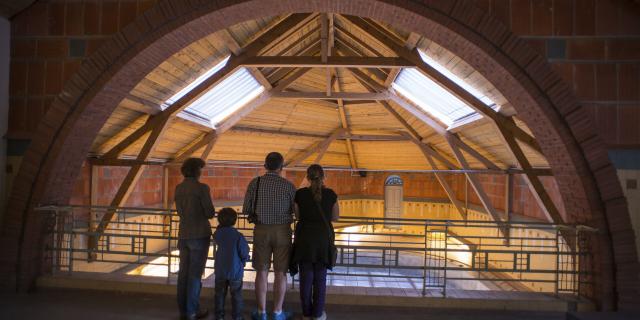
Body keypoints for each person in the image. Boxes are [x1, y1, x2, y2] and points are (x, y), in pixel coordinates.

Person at [242, 152, 296, 320]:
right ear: (281, 167)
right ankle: (278, 312)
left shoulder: (254, 183)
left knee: (262, 271)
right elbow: (295, 211)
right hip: (283, 231)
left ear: (265, 165)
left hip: (261, 231)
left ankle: (261, 312)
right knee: (280, 273)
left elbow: (245, 210)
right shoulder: (288, 186)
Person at [291, 164, 339, 320]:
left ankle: (306, 313)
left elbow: (297, 216)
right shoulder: (331, 194)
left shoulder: (300, 194)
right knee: (320, 279)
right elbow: (335, 217)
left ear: (307, 177)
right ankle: (318, 314)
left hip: (305, 239)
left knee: (306, 278)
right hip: (322, 240)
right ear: (324, 177)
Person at [175, 158, 215, 320]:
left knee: (183, 274)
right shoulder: (202, 188)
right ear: (197, 171)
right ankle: (193, 311)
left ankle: (183, 311)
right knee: (195, 275)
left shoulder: (178, 188)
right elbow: (210, 212)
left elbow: (179, 211)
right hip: (199, 234)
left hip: (183, 234)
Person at [213, 207, 250, 320]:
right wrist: (244, 261)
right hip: (235, 271)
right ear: (234, 220)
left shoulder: (217, 234)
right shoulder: (238, 236)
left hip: (220, 271)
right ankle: (237, 317)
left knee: (219, 294)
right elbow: (244, 252)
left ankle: (219, 316)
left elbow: (217, 234)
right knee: (237, 295)